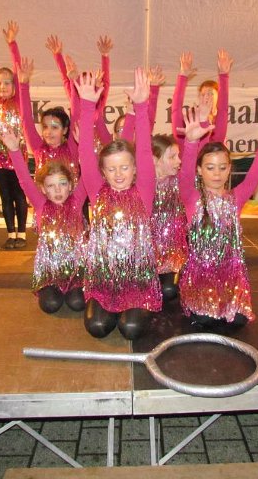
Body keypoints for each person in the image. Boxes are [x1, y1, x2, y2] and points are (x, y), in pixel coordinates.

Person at [178, 95, 258, 328]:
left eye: (222, 168)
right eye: (210, 168)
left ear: (229, 169)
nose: (216, 174)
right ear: (200, 170)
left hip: (230, 280)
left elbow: (257, 171)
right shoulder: (191, 197)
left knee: (237, 321)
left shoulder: (236, 198)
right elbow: (185, 175)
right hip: (200, 280)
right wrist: (190, 143)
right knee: (206, 320)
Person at [77, 68, 161, 340]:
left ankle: (134, 309)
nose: (119, 174)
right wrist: (87, 105)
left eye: (124, 167)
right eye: (111, 169)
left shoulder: (144, 190)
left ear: (135, 169)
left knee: (131, 329)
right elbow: (85, 153)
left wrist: (142, 106)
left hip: (137, 282)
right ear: (102, 172)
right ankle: (107, 306)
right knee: (98, 327)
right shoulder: (97, 191)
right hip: (104, 281)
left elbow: (144, 149)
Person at [2, 131, 87, 314]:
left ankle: (74, 289)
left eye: (62, 184)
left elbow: (88, 173)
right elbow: (24, 180)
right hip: (50, 272)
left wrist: (84, 145)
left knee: (77, 303)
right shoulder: (40, 203)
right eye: (51, 186)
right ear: (43, 188)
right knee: (50, 305)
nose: (58, 190)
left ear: (71, 185)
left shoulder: (77, 200)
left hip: (76, 271)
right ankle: (51, 290)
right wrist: (15, 151)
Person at [0, 18, 29, 249]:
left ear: (14, 84)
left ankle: (22, 233)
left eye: (7, 83)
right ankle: (10, 234)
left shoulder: (18, 101)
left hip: (16, 155)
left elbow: (19, 71)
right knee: (5, 197)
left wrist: (12, 43)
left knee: (19, 195)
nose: (2, 87)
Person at [16, 56, 79, 179]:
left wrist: (73, 82)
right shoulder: (38, 148)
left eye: (54, 127)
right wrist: (23, 84)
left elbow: (76, 114)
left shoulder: (72, 147)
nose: (48, 132)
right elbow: (26, 119)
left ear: (65, 130)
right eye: (45, 127)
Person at [149, 134, 187, 301]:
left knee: (168, 290)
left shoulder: (180, 182)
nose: (179, 161)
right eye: (172, 157)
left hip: (173, 256)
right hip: (148, 255)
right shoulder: (142, 185)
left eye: (178, 156)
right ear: (155, 160)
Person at [171, 50, 232, 151]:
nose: (207, 97)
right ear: (199, 97)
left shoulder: (217, 127)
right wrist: (182, 76)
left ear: (218, 97)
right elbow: (176, 111)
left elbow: (223, 110)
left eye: (211, 94)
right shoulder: (190, 122)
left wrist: (223, 75)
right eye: (203, 94)